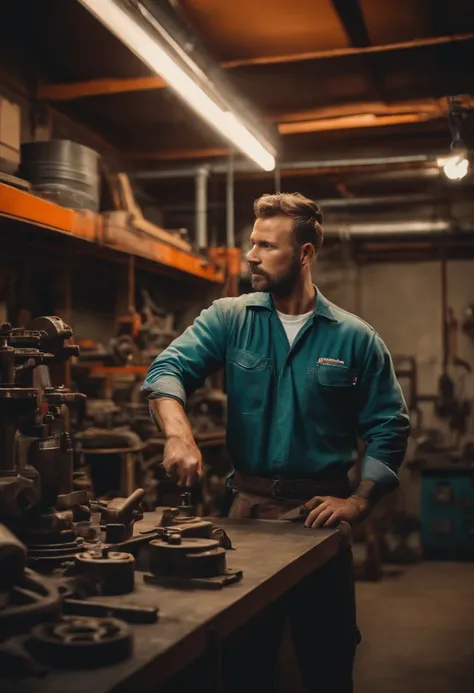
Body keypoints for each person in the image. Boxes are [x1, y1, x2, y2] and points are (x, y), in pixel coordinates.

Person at [142, 192, 410, 693]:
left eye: (267, 246)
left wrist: (358, 500)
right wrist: (178, 433)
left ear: (305, 254)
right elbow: (167, 369)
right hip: (246, 518)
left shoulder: (355, 339)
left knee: (327, 662)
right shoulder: (230, 318)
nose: (251, 256)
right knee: (244, 661)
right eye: (251, 244)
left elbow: (389, 425)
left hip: (318, 523)